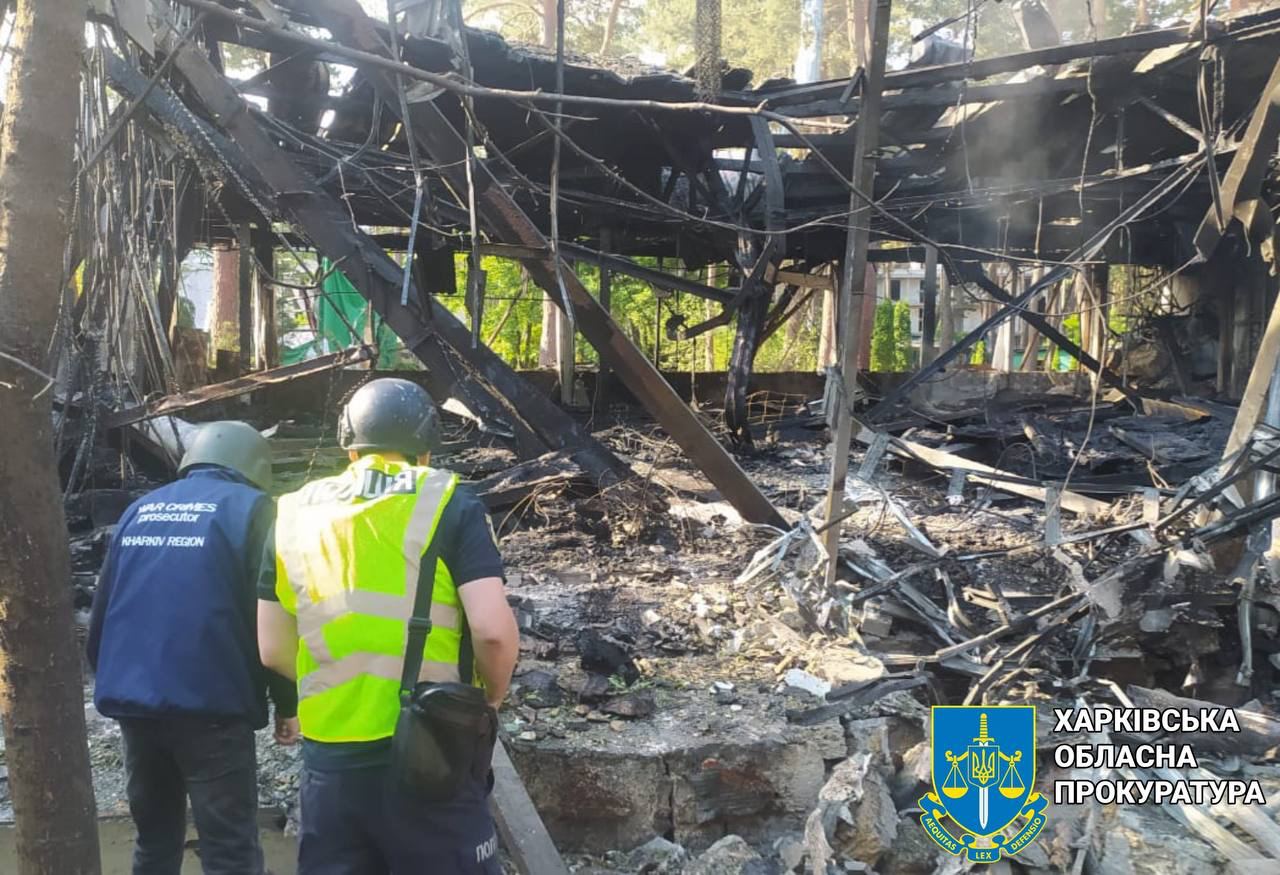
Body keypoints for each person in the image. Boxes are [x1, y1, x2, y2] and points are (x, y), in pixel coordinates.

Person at [258, 377, 519, 875]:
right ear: (426, 449)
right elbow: (492, 631)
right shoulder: (449, 502)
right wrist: (490, 698)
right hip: (433, 748)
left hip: (332, 760)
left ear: (350, 447)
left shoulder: (291, 513)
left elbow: (271, 649)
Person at [87, 420, 299, 875]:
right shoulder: (255, 511)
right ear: (255, 465)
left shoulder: (141, 509)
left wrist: (114, 684)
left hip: (135, 706)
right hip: (212, 708)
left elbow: (102, 613)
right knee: (229, 848)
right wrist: (288, 704)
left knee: (154, 840)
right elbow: (270, 617)